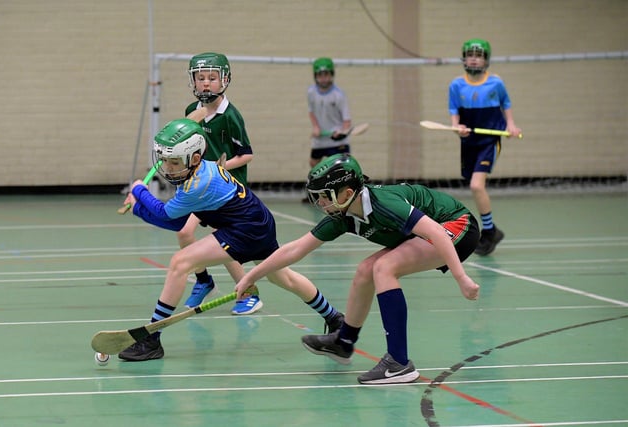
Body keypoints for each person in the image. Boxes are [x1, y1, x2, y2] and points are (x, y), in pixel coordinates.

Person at [235, 153, 481, 385]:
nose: (320, 202)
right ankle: (344, 342)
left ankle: (399, 364)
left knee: (385, 268)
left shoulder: (383, 204)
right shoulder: (343, 215)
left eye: (324, 195)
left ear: (347, 193)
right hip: (437, 232)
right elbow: (296, 249)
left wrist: (461, 277)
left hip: (456, 226)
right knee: (366, 270)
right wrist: (252, 275)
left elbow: (437, 232)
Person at [119, 118, 344, 361]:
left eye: (174, 162)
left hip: (245, 229)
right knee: (283, 277)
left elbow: (166, 216)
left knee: (180, 263)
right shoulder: (196, 171)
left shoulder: (197, 183)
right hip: (258, 220)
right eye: (164, 160)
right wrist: (139, 205)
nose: (168, 167)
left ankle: (152, 339)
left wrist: (139, 193)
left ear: (194, 158)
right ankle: (335, 318)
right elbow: (178, 222)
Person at [180, 52, 261, 315]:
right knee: (184, 233)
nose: (206, 83)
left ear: (224, 80)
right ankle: (204, 281)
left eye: (212, 78)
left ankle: (248, 292)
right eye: (201, 78)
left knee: (224, 242)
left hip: (227, 190)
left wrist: (219, 168)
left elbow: (246, 154)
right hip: (203, 186)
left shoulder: (230, 116)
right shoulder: (192, 111)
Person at [448, 38, 522, 256]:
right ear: (464, 58)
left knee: (476, 186)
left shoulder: (496, 83)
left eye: (478, 55)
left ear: (486, 59)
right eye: (470, 54)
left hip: (489, 141)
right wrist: (456, 127)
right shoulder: (456, 85)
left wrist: (511, 125)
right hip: (468, 141)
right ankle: (491, 230)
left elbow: (505, 104)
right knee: (472, 184)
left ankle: (488, 232)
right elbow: (454, 112)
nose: (474, 58)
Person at [303, 57, 351, 202]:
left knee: (342, 169)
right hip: (320, 139)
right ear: (315, 76)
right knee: (314, 164)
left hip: (337, 140)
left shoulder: (339, 95)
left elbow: (347, 121)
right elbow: (311, 112)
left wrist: (342, 131)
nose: (323, 78)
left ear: (331, 75)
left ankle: (344, 197)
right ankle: (315, 194)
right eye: (320, 75)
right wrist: (316, 127)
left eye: (326, 75)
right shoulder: (311, 92)